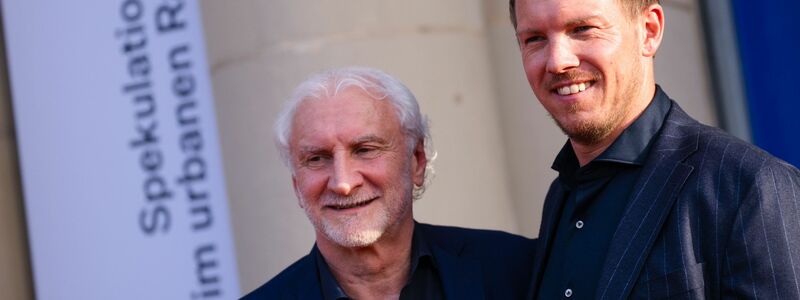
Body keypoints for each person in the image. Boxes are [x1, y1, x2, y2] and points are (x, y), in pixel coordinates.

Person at [510, 0, 800, 299]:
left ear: (649, 31)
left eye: (583, 29)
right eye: (535, 39)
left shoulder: (749, 186)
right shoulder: (561, 197)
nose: (557, 62)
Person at [241, 67, 536, 299]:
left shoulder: (517, 269)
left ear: (417, 160)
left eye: (365, 150)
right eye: (317, 159)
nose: (343, 183)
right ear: (296, 185)